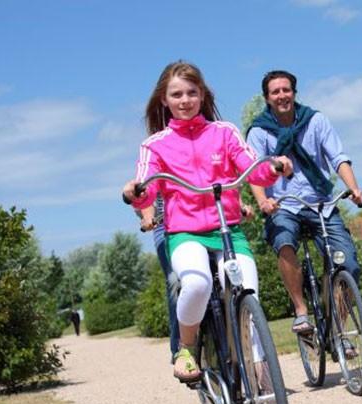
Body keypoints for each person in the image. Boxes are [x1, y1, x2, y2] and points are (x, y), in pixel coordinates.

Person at [121, 61, 293, 383]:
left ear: (202, 95)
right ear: (164, 100)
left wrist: (273, 167)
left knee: (248, 298)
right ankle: (187, 348)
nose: (185, 100)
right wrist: (136, 193)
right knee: (197, 284)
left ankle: (264, 384)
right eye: (176, 95)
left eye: (191, 93)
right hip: (185, 233)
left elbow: (252, 167)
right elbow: (147, 186)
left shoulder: (224, 132)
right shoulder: (154, 145)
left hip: (228, 230)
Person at [247, 70, 362, 343]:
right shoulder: (259, 131)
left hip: (321, 203)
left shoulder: (315, 120)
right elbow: (255, 170)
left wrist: (353, 188)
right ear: (267, 98)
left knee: (348, 263)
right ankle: (301, 311)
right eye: (275, 92)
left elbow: (338, 157)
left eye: (286, 90)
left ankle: (338, 328)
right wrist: (263, 201)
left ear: (294, 93)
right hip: (284, 206)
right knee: (284, 241)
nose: (282, 96)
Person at [139, 197, 180, 359]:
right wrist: (148, 216)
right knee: (175, 280)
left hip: (197, 222)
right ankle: (178, 346)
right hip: (164, 229)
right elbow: (144, 197)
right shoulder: (151, 179)